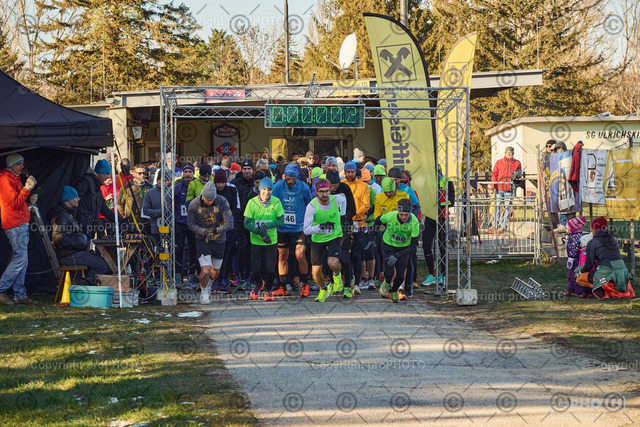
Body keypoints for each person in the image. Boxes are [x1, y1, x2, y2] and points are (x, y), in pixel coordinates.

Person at [48, 186, 111, 284]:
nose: (78, 199)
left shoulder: (66, 213)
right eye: (76, 197)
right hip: (69, 255)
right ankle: (81, 285)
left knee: (103, 263)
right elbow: (58, 238)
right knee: (103, 265)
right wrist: (80, 242)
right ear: (69, 199)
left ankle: (82, 284)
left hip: (72, 253)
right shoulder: (62, 215)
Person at [0, 154, 38, 305]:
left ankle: (20, 294)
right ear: (11, 165)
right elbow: (13, 204)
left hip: (19, 222)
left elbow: (17, 204)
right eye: (18, 164)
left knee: (23, 260)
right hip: (15, 224)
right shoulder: (5, 180)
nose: (22, 166)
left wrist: (29, 203)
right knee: (20, 259)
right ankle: (1, 289)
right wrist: (27, 188)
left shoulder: (13, 179)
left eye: (22, 163)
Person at [188, 181, 234, 304]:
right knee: (205, 270)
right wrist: (204, 232)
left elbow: (229, 223)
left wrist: (215, 230)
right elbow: (190, 224)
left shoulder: (222, 201)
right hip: (202, 240)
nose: (210, 202)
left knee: (215, 272)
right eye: (208, 200)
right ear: (202, 196)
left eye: (212, 199)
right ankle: (204, 292)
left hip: (219, 239)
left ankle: (208, 285)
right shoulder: (194, 204)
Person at [303, 178, 347, 302]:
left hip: (334, 235)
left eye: (327, 191)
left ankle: (337, 276)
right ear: (316, 192)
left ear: (330, 191)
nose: (324, 194)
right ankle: (323, 289)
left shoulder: (336, 199)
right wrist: (320, 227)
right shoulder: (312, 206)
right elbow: (306, 230)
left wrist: (343, 216)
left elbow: (344, 197)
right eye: (321, 192)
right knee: (315, 272)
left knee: (332, 263)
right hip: (318, 238)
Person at [272, 164, 312, 297]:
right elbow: (273, 204)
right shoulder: (278, 186)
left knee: (300, 255)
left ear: (297, 178)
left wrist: (309, 223)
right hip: (282, 228)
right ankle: (282, 286)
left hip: (299, 228)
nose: (290, 182)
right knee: (282, 256)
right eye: (288, 179)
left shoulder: (304, 188)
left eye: (293, 179)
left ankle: (304, 283)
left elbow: (310, 205)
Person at [243, 178, 284, 301]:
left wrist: (267, 226)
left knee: (270, 269)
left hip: (271, 241)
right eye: (264, 189)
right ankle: (259, 283)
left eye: (269, 189)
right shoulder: (252, 202)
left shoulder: (276, 202)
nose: (267, 192)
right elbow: (246, 223)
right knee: (255, 269)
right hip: (256, 240)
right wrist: (259, 231)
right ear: (259, 190)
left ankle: (269, 289)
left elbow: (281, 221)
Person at [576, 217, 635, 299]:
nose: (591, 230)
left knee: (579, 278)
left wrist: (580, 271)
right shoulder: (613, 239)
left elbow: (589, 265)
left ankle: (603, 291)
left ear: (594, 229)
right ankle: (612, 290)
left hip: (608, 275)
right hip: (623, 274)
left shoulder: (592, 242)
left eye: (591, 228)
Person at [376, 199, 420, 303]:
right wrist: (377, 234)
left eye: (406, 215)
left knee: (400, 276)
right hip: (388, 245)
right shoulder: (390, 216)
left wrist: (398, 255)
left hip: (403, 248)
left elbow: (413, 246)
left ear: (410, 213)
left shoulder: (414, 222)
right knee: (390, 272)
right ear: (398, 212)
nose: (404, 217)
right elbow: (378, 220)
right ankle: (387, 283)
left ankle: (394, 290)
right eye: (401, 214)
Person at [422, 167, 456, 287]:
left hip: (441, 218)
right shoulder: (428, 182)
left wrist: (438, 204)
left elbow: (451, 201)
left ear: (440, 172)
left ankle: (443, 275)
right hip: (430, 217)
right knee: (426, 245)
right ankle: (431, 274)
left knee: (442, 247)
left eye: (437, 173)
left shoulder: (448, 182)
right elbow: (424, 198)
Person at [326, 171, 357, 298]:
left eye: (335, 185)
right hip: (329, 228)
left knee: (344, 257)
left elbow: (352, 209)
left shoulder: (344, 188)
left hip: (344, 227)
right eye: (331, 186)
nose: (333, 188)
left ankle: (348, 285)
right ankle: (332, 282)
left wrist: (343, 221)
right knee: (329, 257)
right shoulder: (323, 190)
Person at [341, 161, 370, 296]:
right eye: (348, 172)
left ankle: (357, 283)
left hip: (359, 223)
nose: (350, 174)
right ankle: (346, 281)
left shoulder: (363, 186)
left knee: (357, 254)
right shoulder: (341, 184)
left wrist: (353, 214)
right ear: (345, 172)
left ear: (356, 172)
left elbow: (366, 205)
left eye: (352, 172)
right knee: (344, 255)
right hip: (345, 224)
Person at [213, 168, 241, 293]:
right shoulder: (210, 190)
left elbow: (237, 207)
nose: (220, 185)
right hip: (214, 228)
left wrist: (227, 218)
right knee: (214, 255)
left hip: (228, 227)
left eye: (222, 183)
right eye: (218, 183)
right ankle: (213, 281)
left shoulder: (232, 189)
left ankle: (223, 279)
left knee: (226, 254)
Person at [74, 159, 116, 238]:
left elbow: (103, 208)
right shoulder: (87, 181)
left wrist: (120, 220)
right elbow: (74, 201)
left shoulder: (97, 186)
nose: (108, 177)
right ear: (99, 173)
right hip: (81, 228)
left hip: (88, 228)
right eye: (106, 174)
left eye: (109, 174)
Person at [174, 163, 197, 288]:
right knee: (179, 250)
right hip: (180, 224)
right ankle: (178, 277)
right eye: (185, 172)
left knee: (193, 250)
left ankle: (192, 277)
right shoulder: (177, 187)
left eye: (190, 172)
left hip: (194, 224)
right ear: (182, 173)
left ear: (193, 173)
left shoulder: (197, 186)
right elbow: (172, 205)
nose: (187, 174)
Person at [490, 146, 521, 232]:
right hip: (500, 188)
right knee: (497, 206)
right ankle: (495, 224)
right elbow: (494, 174)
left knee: (507, 207)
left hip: (509, 188)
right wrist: (493, 186)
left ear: (513, 153)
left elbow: (519, 174)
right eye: (507, 152)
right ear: (505, 153)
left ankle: (504, 224)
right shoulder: (499, 162)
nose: (509, 154)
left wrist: (516, 178)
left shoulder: (517, 163)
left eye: (510, 152)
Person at [117, 164, 152, 234]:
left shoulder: (149, 187)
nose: (142, 175)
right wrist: (126, 215)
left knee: (147, 240)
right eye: (139, 173)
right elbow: (120, 203)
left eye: (144, 173)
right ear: (134, 174)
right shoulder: (126, 187)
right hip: (131, 222)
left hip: (146, 222)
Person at [565, 216, 586, 296]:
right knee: (571, 274)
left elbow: (574, 248)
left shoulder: (575, 237)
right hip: (574, 258)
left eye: (569, 227)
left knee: (575, 274)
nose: (567, 229)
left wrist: (571, 257)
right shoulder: (574, 235)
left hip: (575, 258)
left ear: (574, 227)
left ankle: (577, 291)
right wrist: (567, 243)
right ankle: (571, 289)